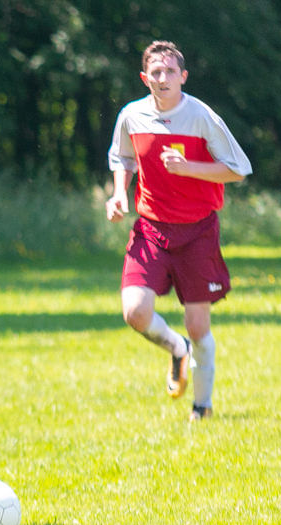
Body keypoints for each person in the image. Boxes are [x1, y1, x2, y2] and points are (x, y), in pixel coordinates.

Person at [105, 40, 252, 423]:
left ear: (183, 76)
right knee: (135, 311)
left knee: (199, 324)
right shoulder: (132, 116)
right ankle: (176, 348)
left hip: (198, 231)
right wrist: (119, 194)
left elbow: (238, 168)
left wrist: (189, 168)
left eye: (170, 71)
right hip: (151, 227)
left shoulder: (201, 116)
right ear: (144, 77)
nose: (163, 78)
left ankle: (202, 407)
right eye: (156, 72)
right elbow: (121, 157)